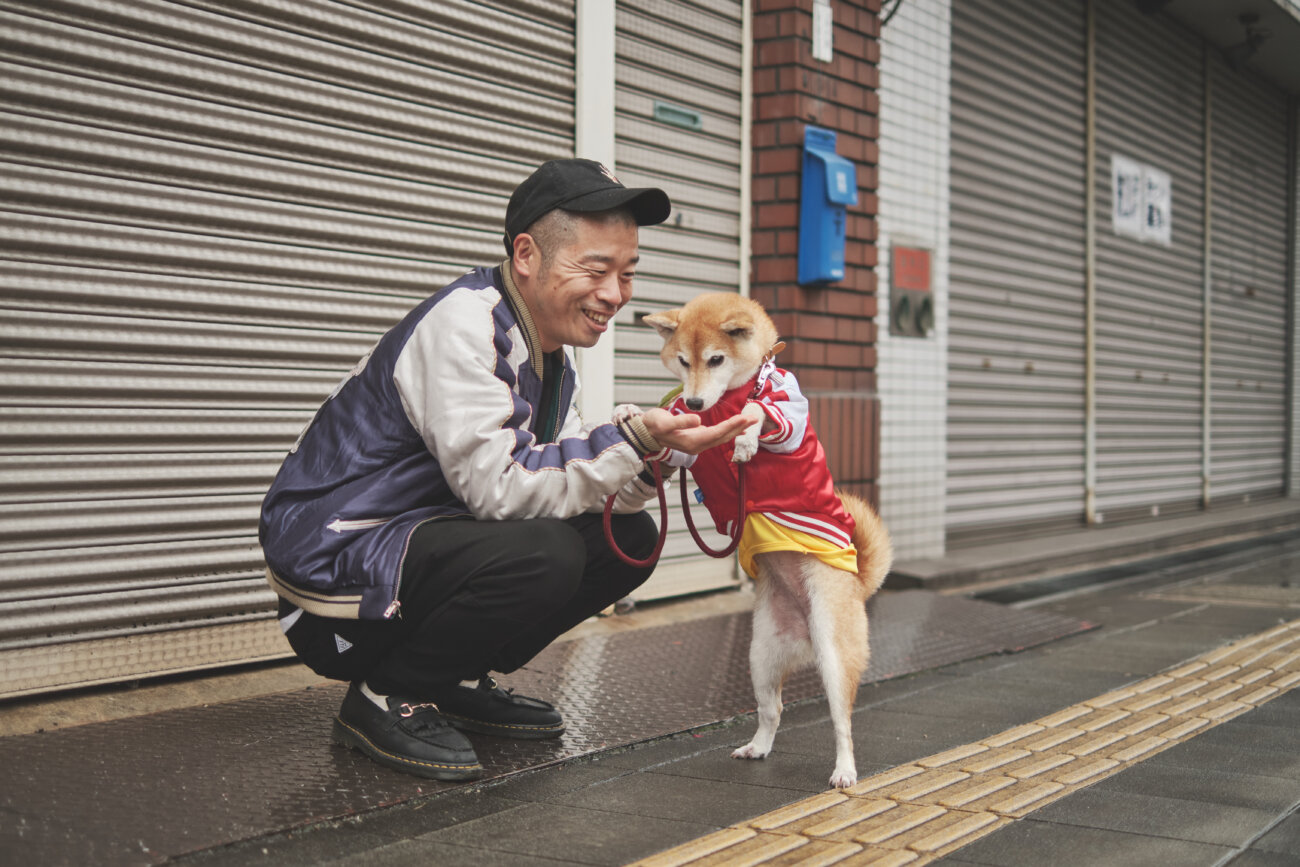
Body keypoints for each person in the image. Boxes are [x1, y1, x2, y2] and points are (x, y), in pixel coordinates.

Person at [258, 158, 751, 780]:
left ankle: (451, 677)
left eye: (627, 273)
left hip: (415, 546)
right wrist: (631, 437)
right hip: (335, 577)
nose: (615, 294)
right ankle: (388, 693)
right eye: (595, 269)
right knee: (545, 552)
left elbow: (570, 483)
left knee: (625, 539)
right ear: (526, 255)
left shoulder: (552, 354)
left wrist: (659, 455)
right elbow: (501, 490)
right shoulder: (464, 323)